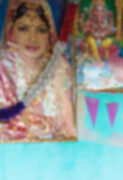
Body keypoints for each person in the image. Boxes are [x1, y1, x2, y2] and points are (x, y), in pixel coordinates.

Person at [0, 0, 75, 141]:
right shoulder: (2, 69)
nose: (32, 39)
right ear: (11, 32)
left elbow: (67, 126)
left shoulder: (59, 68)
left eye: (41, 30)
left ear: (50, 35)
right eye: (23, 28)